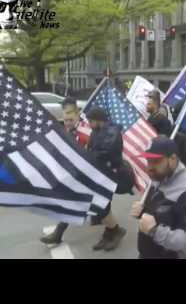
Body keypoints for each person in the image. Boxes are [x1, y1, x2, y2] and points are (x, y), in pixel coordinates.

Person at [131, 136, 186, 259]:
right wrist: (143, 211)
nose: (149, 167)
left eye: (156, 161)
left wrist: (155, 231)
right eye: (148, 161)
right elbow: (163, 214)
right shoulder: (158, 177)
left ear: (172, 159)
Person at [40, 97, 90, 245]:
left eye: (70, 115)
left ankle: (58, 233)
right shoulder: (69, 128)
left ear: (77, 112)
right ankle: (111, 227)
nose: (67, 121)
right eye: (65, 117)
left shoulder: (84, 131)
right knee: (96, 205)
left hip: (84, 174)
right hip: (74, 173)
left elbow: (86, 155)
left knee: (72, 202)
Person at [85, 107, 127, 251]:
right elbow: (91, 148)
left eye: (91, 121)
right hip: (99, 173)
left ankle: (116, 231)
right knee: (101, 205)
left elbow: (105, 152)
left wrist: (89, 155)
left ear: (98, 120)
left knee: (102, 205)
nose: (89, 123)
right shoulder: (96, 131)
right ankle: (110, 232)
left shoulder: (112, 132)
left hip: (111, 173)